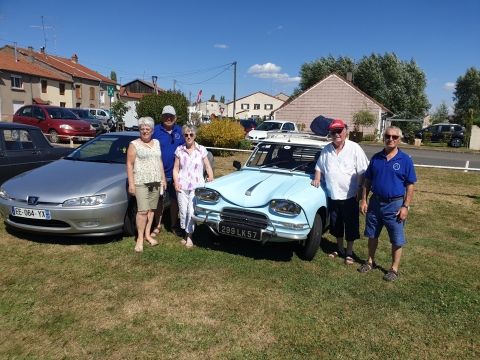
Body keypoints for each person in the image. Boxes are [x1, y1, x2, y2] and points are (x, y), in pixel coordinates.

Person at [358, 126, 417, 281]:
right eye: (387, 136)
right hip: (375, 203)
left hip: (395, 205)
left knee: (397, 239)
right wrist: (364, 200)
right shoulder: (376, 158)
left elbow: (410, 185)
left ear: (399, 140)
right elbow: (367, 181)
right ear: (384, 137)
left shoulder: (405, 160)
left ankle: (394, 269)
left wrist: (405, 206)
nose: (390, 139)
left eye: (394, 137)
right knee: (372, 234)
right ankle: (370, 261)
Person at [311, 119, 369, 265]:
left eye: (339, 131)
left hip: (350, 195)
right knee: (336, 223)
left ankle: (349, 252)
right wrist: (317, 178)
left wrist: (359, 188)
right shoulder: (326, 149)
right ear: (330, 133)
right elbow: (319, 166)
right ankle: (339, 248)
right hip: (333, 194)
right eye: (334, 131)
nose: (337, 134)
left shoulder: (354, 148)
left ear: (345, 132)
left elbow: (363, 170)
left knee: (350, 223)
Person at [126, 117, 166, 253]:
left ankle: (148, 234)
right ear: (139, 130)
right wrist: (131, 183)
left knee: (151, 210)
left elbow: (159, 161)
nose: (145, 131)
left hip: (155, 181)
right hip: (141, 181)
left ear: (152, 130)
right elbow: (129, 165)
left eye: (147, 129)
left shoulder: (156, 143)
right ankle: (140, 239)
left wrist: (163, 179)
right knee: (142, 211)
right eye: (142, 129)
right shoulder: (134, 144)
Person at [173, 125, 214, 248]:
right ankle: (186, 233)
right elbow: (175, 169)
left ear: (195, 135)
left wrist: (211, 177)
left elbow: (207, 166)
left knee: (191, 211)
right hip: (182, 185)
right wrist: (176, 182)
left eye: (191, 134)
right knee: (183, 211)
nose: (189, 137)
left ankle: (189, 237)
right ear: (183, 136)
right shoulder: (179, 150)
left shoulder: (201, 149)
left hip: (197, 186)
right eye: (186, 135)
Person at [152, 105, 185, 237]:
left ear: (175, 118)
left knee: (174, 201)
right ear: (162, 117)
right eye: (166, 115)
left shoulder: (181, 131)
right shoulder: (155, 131)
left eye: (171, 116)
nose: (168, 118)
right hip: (159, 173)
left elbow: (189, 145)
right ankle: (157, 225)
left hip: (176, 174)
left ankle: (173, 225)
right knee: (158, 200)